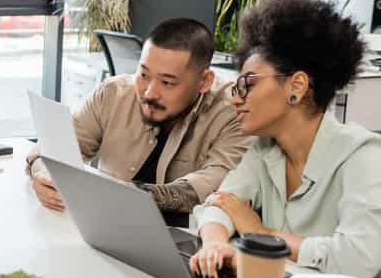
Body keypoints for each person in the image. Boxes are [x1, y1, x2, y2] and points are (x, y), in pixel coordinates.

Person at [190, 0, 381, 278]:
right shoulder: (265, 150)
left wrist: (263, 236)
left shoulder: (366, 155)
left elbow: (358, 259)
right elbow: (220, 205)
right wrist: (215, 242)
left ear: (297, 86)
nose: (234, 98)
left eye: (248, 84)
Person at [27, 18, 249, 223]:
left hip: (186, 240)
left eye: (168, 82)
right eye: (144, 75)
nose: (150, 93)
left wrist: (109, 191)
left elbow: (210, 189)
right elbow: (52, 146)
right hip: (104, 227)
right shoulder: (114, 93)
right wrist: (43, 175)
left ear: (204, 81)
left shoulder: (235, 112)